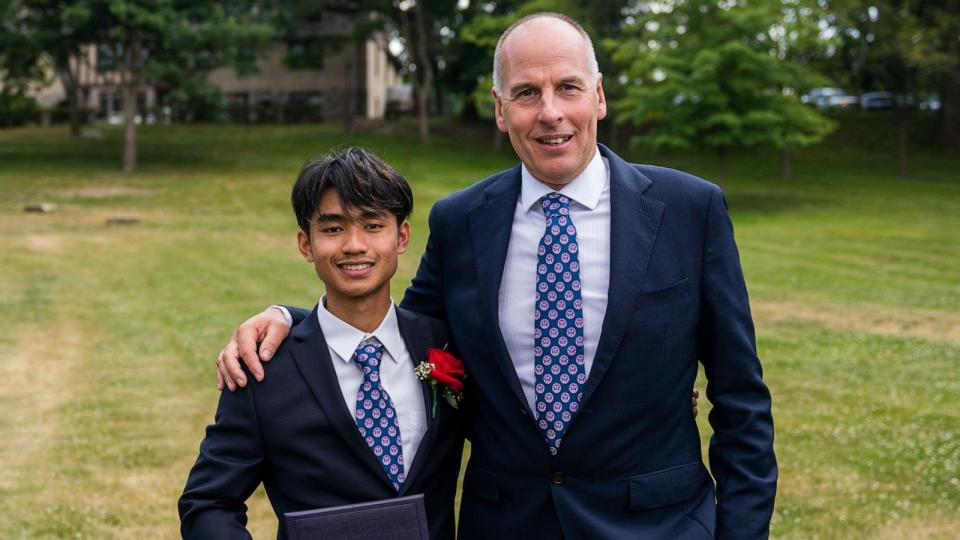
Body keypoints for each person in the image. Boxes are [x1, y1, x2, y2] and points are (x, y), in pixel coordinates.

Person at [218, 12, 776, 539]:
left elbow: (740, 400)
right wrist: (289, 319)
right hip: (507, 525)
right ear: (500, 109)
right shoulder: (462, 222)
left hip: (659, 526)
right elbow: (402, 332)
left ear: (599, 96)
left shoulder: (689, 210)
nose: (550, 111)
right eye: (527, 93)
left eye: (568, 87)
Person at [179, 148, 464, 539]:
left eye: (373, 225)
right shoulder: (263, 371)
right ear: (305, 244)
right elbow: (208, 503)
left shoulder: (446, 346)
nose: (354, 245)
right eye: (332, 229)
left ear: (402, 236)